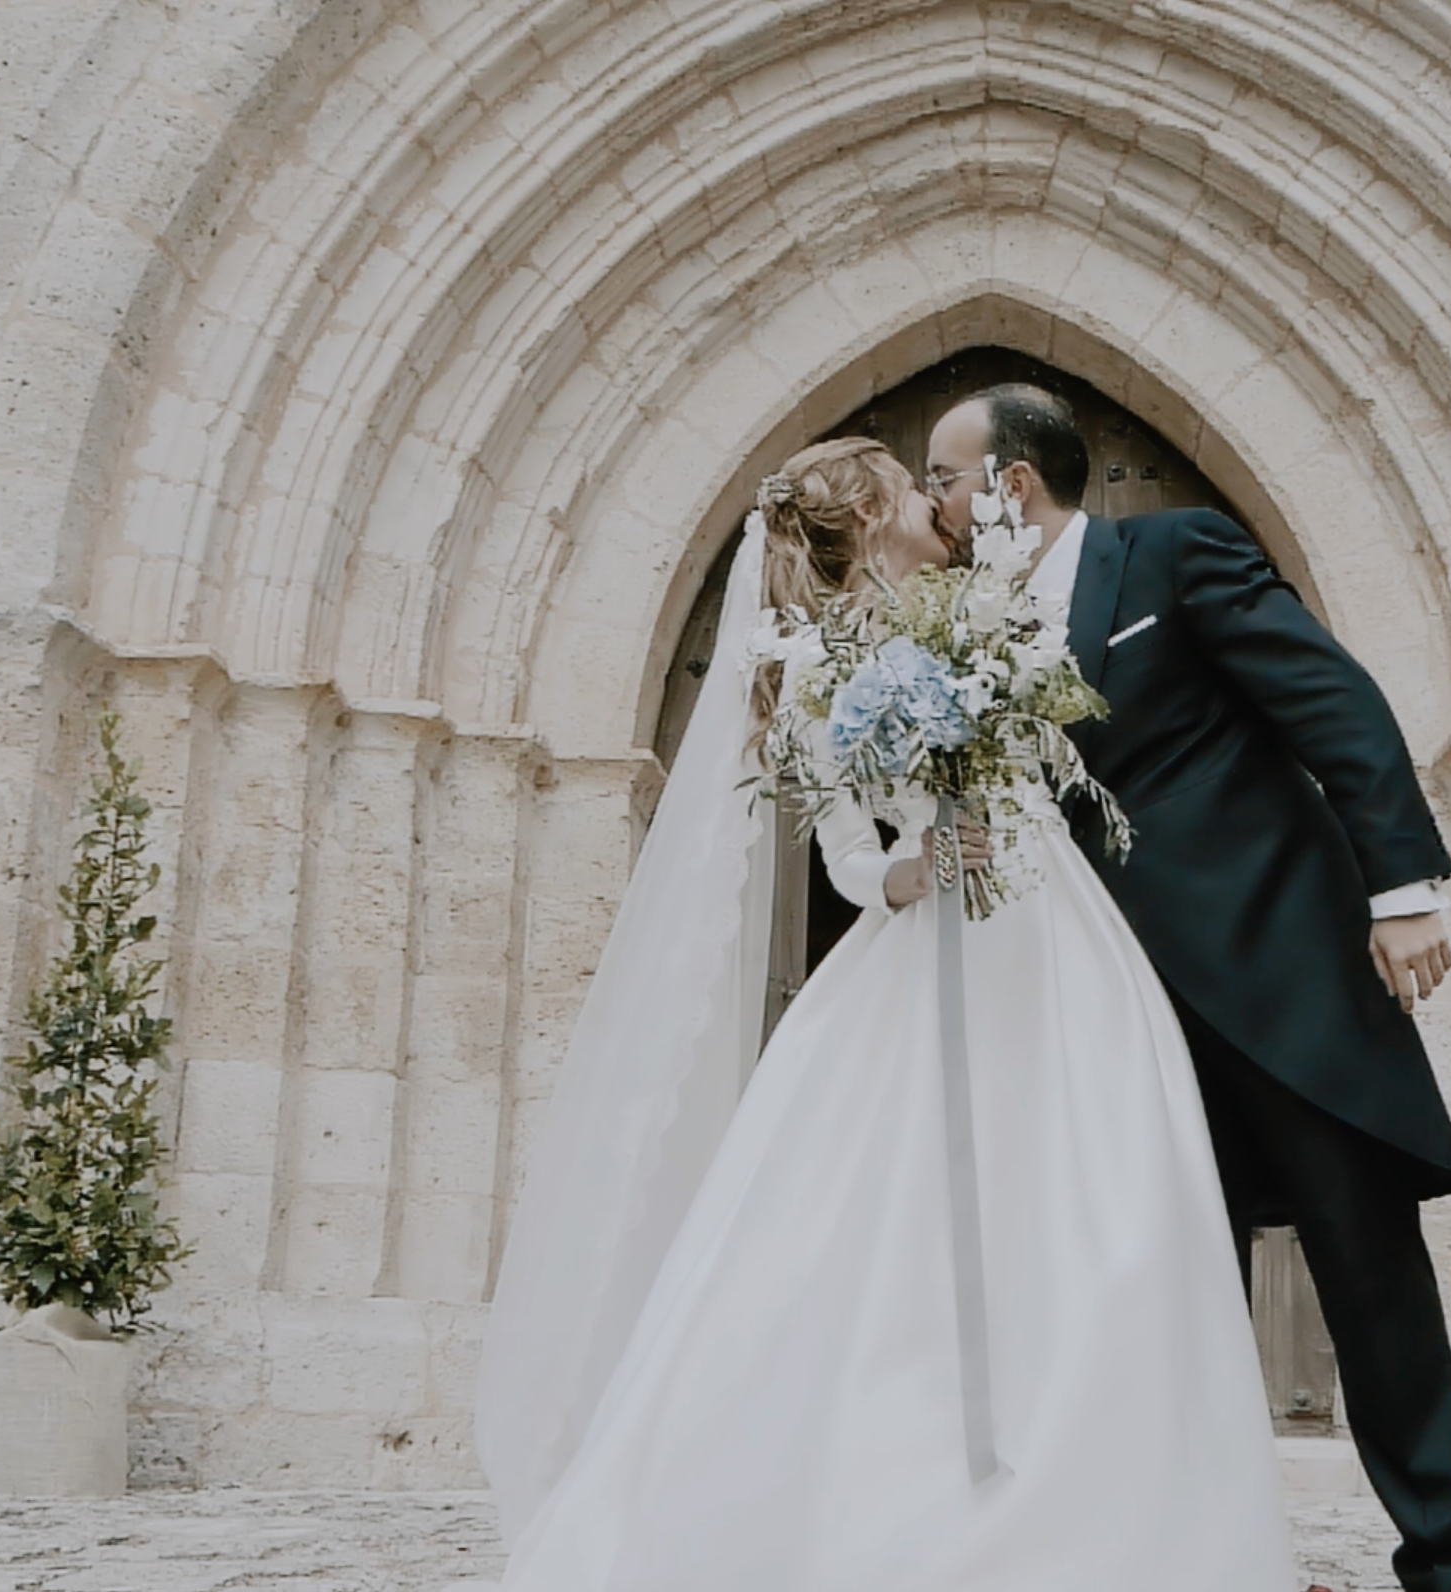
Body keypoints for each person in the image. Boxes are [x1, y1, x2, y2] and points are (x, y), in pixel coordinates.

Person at [468, 436, 1301, 1591]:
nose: (935, 496)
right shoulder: (813, 663)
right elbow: (848, 855)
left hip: (1057, 936)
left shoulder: (983, 609)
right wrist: (911, 869)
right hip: (932, 949)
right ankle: (897, 1488)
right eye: (914, 486)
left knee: (1097, 1180)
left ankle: (1113, 1489)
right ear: (867, 514)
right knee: (891, 1211)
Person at [923, 386, 1451, 1592]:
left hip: (1277, 977)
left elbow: (1328, 698)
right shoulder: (969, 635)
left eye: (943, 474)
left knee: (1364, 1262)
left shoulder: (1174, 554)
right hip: (1115, 1014)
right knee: (1160, 1284)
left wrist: (1402, 888)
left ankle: (1443, 1557)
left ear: (1011, 483)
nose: (932, 497)